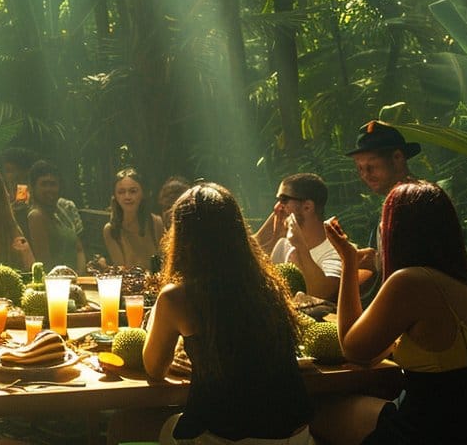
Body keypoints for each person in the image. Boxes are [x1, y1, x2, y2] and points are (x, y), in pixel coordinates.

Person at [313, 182, 467, 445]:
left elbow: (354, 350)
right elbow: (375, 352)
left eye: (383, 225)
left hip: (431, 434)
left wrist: (348, 262)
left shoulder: (411, 282)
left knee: (317, 411)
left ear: (397, 232)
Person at [141, 183, 312, 445]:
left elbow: (154, 370)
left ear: (181, 238)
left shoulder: (178, 297)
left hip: (227, 438)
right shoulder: (269, 286)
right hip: (297, 436)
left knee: (126, 423)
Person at [347, 121, 421, 276]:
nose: (365, 175)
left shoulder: (418, 202)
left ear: (397, 157)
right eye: (360, 168)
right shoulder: (394, 204)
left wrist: (376, 261)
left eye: (372, 166)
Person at [253, 173, 342, 300]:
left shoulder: (335, 252)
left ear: (307, 207)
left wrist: (299, 246)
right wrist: (275, 236)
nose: (277, 207)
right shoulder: (282, 244)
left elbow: (323, 293)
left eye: (283, 200)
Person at [26, 160, 85, 270]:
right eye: (44, 184)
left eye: (53, 184)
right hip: (58, 279)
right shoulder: (36, 216)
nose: (49, 189)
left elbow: (79, 248)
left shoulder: (60, 213)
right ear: (33, 188)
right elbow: (45, 264)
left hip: (77, 277)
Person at [102, 169, 165, 269]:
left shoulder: (156, 223)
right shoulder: (111, 230)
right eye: (121, 192)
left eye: (133, 191)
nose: (127, 197)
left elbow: (164, 262)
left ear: (143, 194)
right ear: (115, 197)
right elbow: (122, 269)